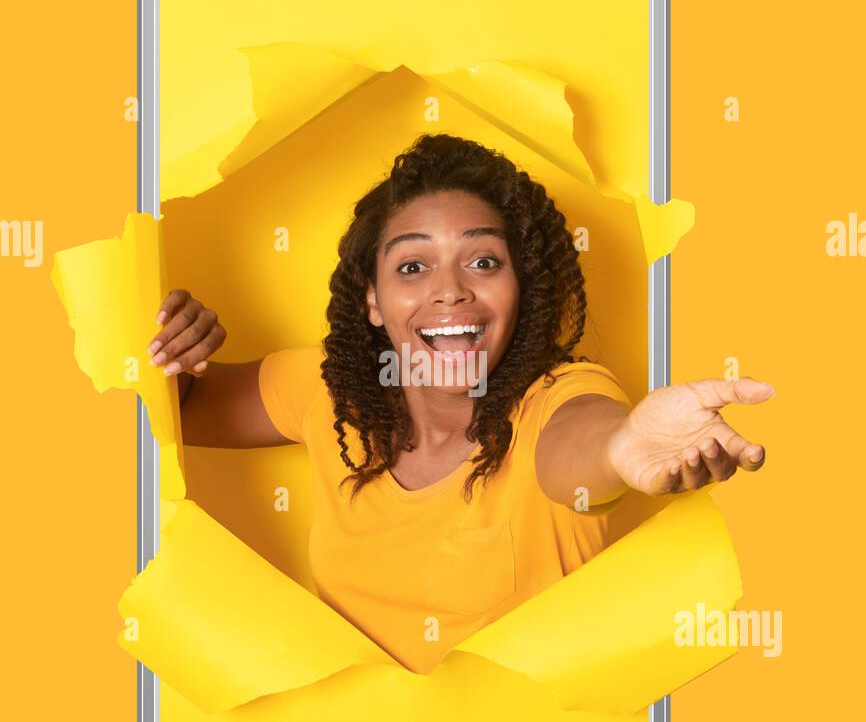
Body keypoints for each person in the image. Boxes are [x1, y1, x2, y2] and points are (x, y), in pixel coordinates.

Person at [147, 134, 774, 668]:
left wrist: (623, 446)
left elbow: (582, 446)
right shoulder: (329, 390)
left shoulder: (563, 398)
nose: (449, 291)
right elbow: (174, 407)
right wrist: (174, 342)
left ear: (520, 287)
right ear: (372, 300)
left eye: (482, 260)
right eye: (413, 267)